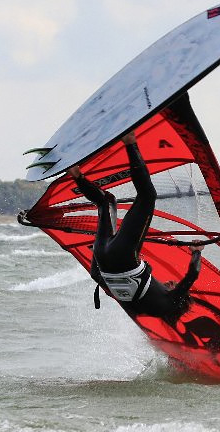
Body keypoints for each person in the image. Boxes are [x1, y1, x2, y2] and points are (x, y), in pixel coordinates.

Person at [67, 131, 203, 326]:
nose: (170, 283)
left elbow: (193, 275)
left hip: (123, 256)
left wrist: (196, 252)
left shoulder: (171, 303)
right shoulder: (135, 308)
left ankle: (129, 141)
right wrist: (98, 255)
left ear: (180, 300)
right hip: (101, 255)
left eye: (173, 285)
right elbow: (96, 275)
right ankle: (76, 175)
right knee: (106, 202)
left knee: (147, 196)